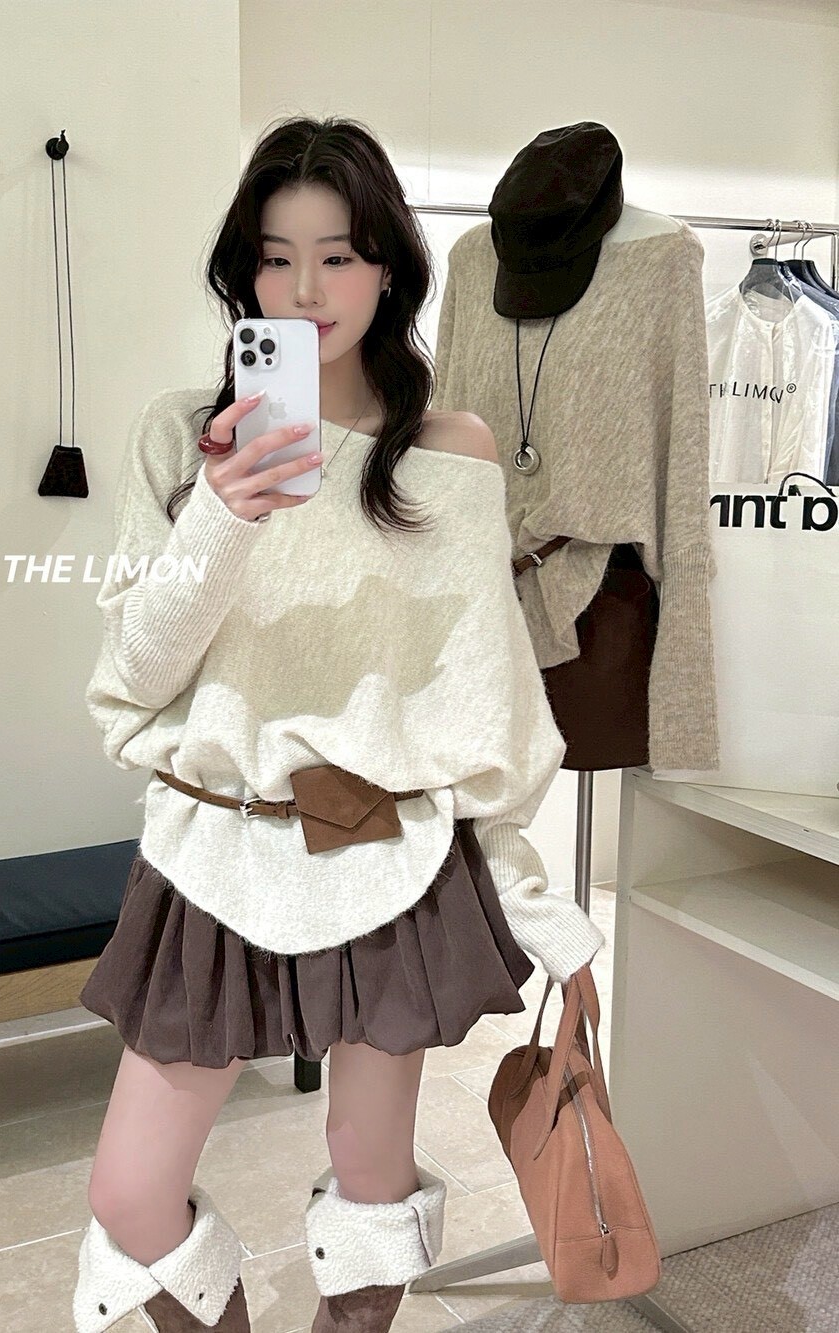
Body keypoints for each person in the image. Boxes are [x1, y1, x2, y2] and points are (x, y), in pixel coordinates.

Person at [72, 115, 604, 1333]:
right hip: (213, 842)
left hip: (384, 844)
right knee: (129, 1193)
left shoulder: (450, 455)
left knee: (372, 1183)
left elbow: (483, 699)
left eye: (338, 255)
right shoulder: (181, 437)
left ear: (387, 269)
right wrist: (223, 515)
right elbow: (137, 671)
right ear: (243, 270)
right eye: (274, 257)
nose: (304, 291)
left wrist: (535, 899)